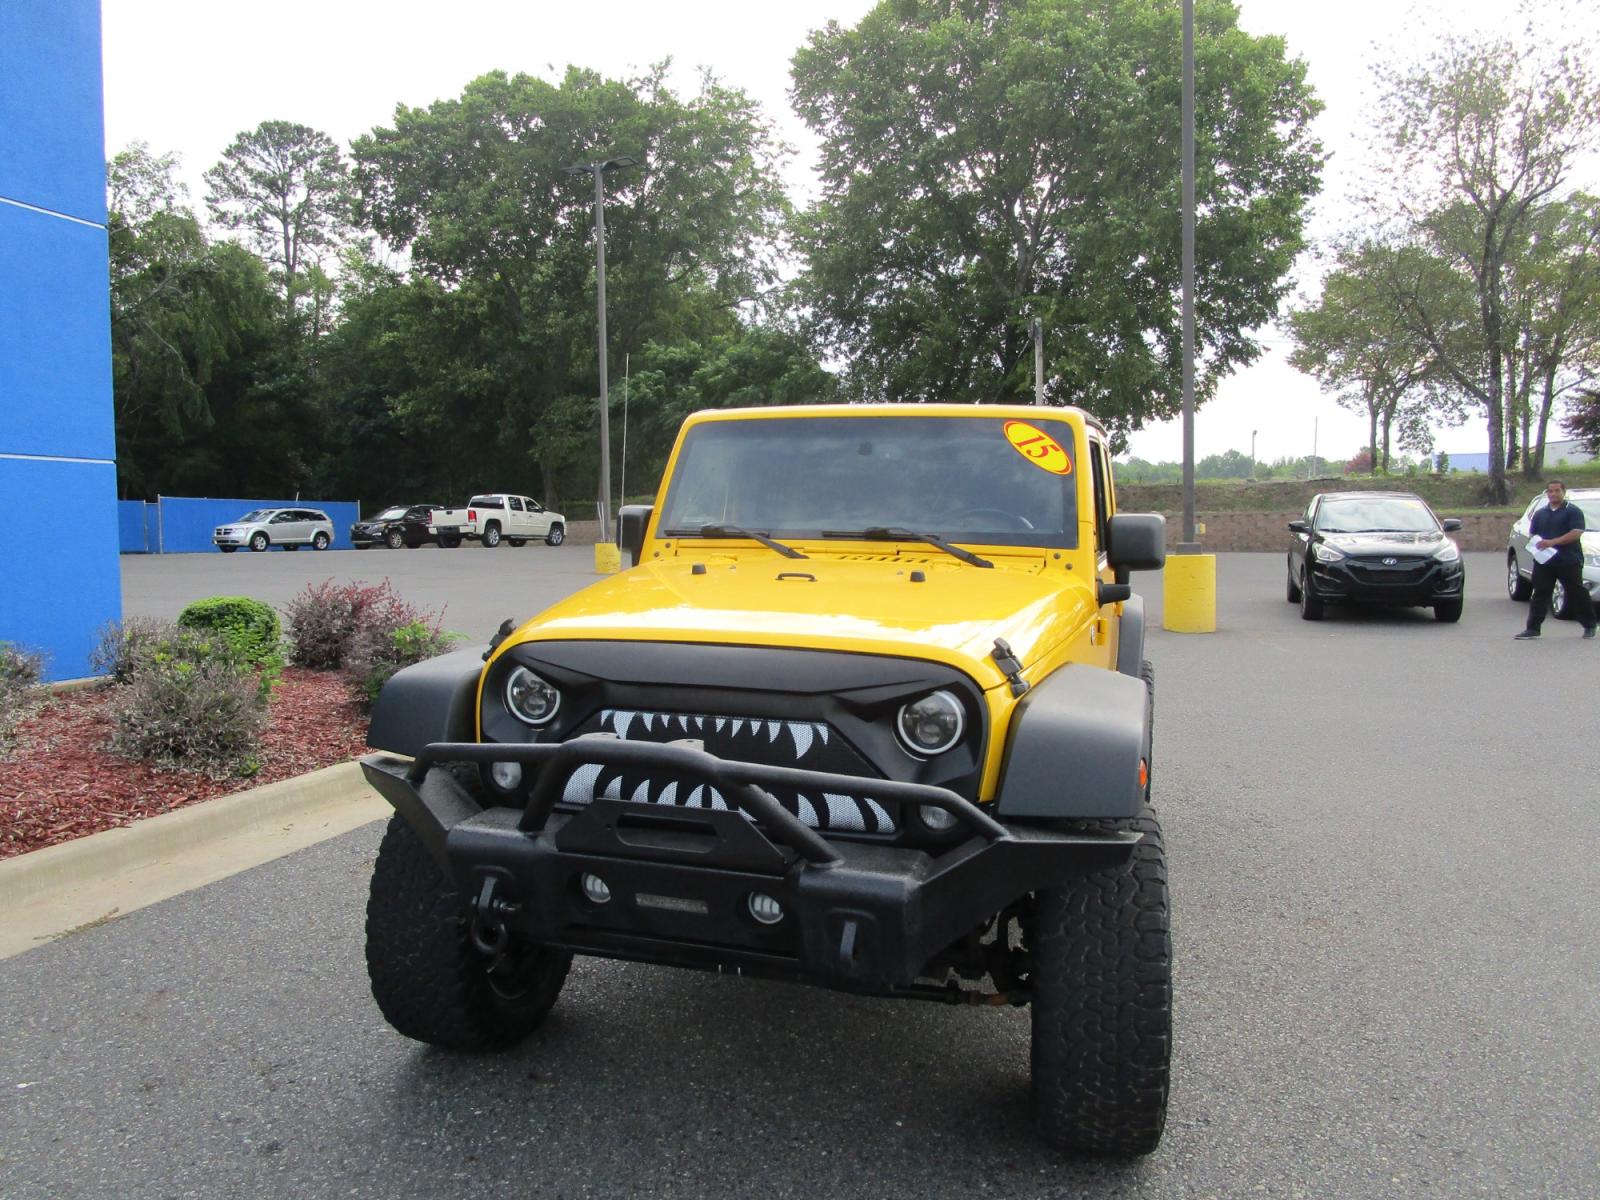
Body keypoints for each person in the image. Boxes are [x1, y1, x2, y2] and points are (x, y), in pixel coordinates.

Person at [1515, 479, 1597, 640]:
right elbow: (1534, 534)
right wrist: (1536, 545)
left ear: (1563, 492)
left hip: (1568, 560)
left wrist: (1553, 542)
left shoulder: (1572, 511)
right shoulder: (1540, 514)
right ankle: (1533, 629)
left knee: (1576, 593)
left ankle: (1589, 625)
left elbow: (1576, 532)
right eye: (1550, 491)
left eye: (1557, 491)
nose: (1553, 494)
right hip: (1544, 562)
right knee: (1540, 593)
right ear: (1547, 493)